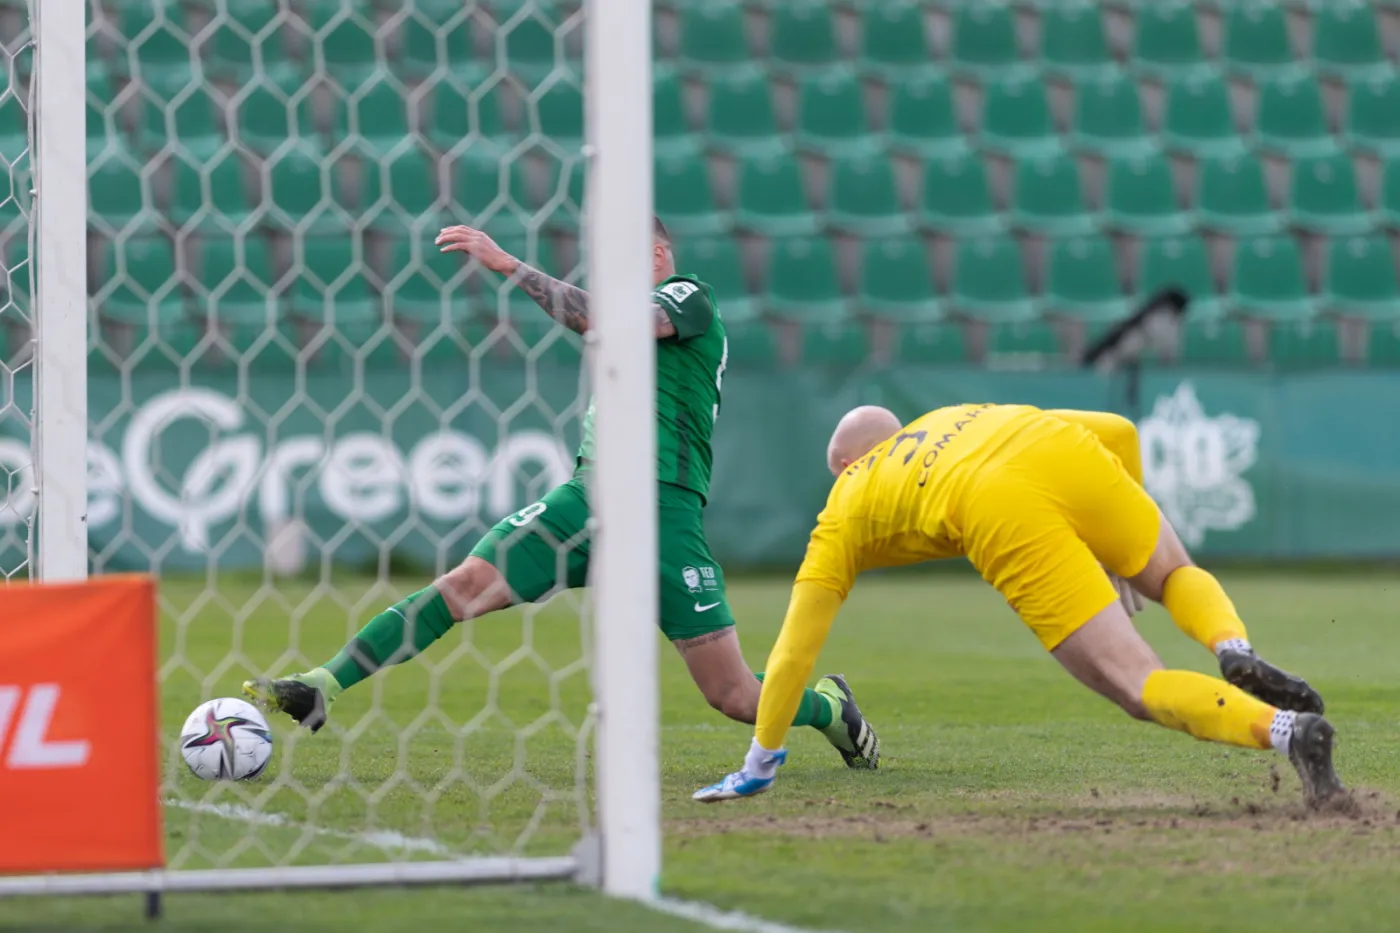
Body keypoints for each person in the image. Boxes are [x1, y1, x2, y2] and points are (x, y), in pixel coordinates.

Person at [245, 219, 878, 770]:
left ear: (657, 255)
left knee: (735, 697)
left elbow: (606, 319)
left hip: (663, 511)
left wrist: (509, 265)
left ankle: (828, 708)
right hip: (587, 500)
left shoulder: (688, 298)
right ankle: (323, 682)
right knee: (464, 586)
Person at [694, 403, 1341, 807]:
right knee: (1175, 573)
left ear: (841, 465)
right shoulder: (948, 415)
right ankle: (1233, 645)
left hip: (994, 501)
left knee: (1139, 684)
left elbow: (794, 649)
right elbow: (1115, 428)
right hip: (1052, 444)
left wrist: (760, 762)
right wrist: (1117, 544)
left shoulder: (843, 506)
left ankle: (1287, 730)